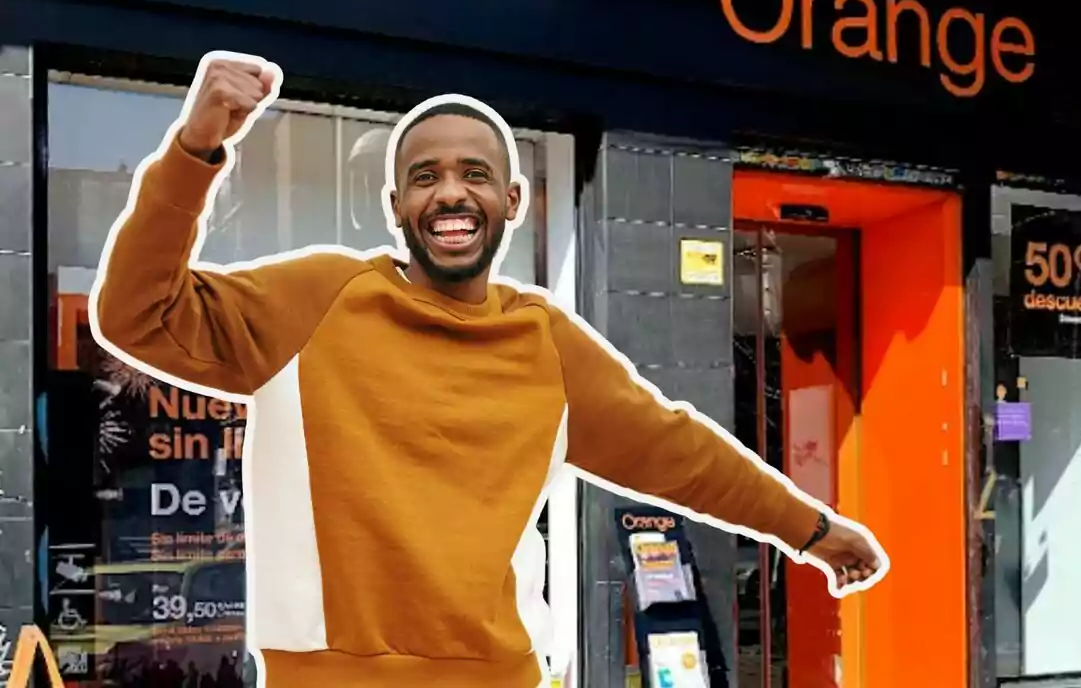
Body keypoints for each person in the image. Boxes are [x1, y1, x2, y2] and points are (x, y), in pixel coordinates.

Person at [92, 55, 887, 688]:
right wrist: (195, 152)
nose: (450, 193)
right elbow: (136, 316)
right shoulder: (318, 297)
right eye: (425, 176)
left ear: (511, 200)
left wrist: (808, 530)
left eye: (474, 174)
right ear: (395, 205)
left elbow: (679, 453)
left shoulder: (542, 339)